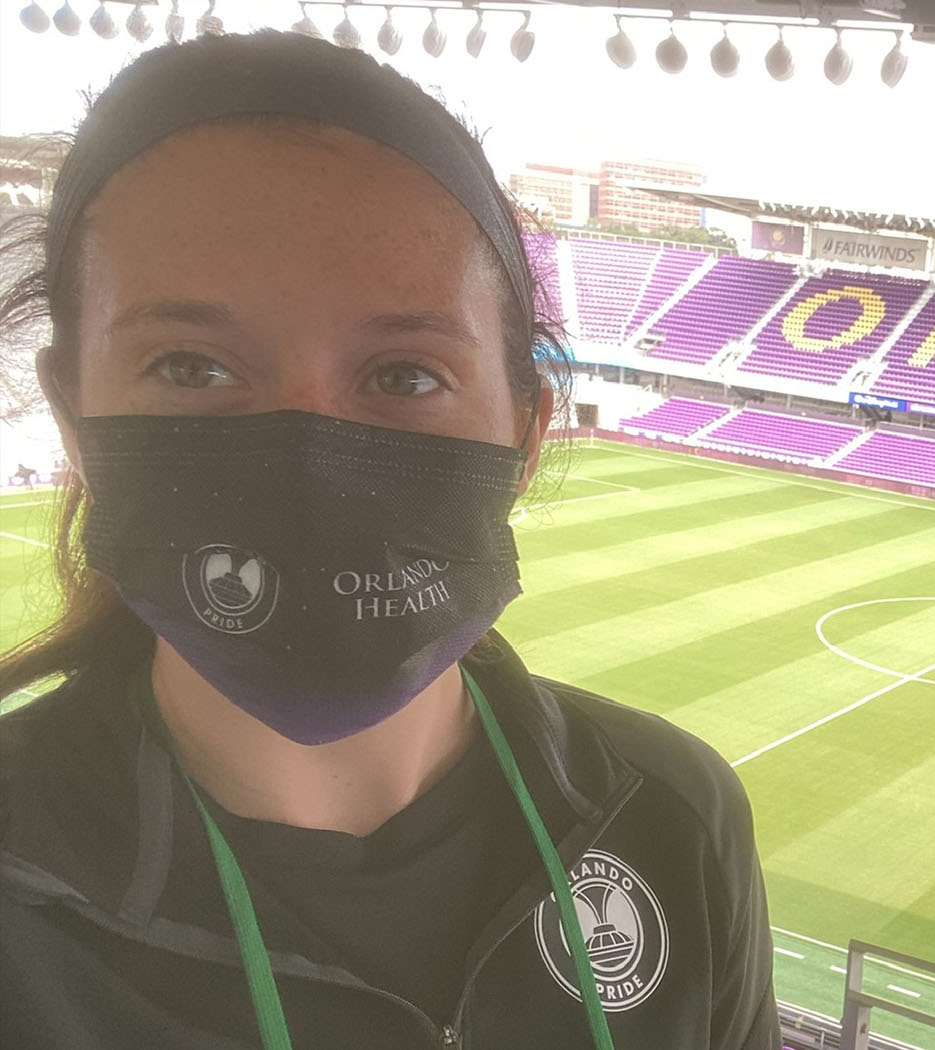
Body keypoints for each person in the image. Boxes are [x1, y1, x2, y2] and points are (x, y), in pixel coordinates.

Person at [0, 31, 778, 1050]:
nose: (308, 458)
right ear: (72, 420)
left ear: (526, 436)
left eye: (405, 376)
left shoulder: (678, 818)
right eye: (190, 367)